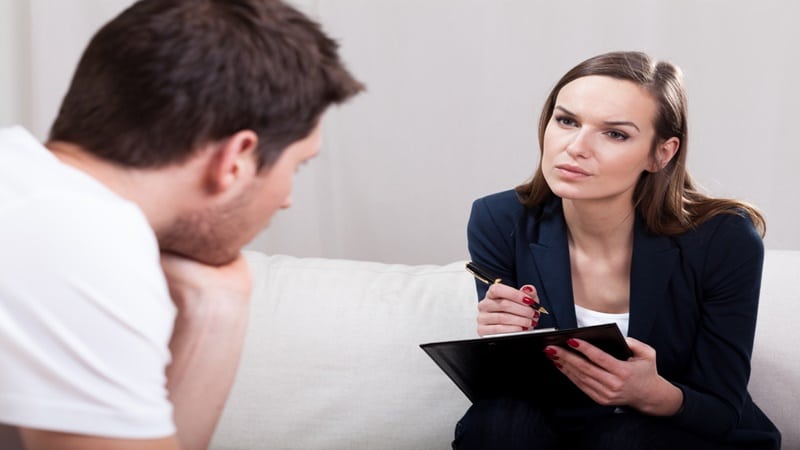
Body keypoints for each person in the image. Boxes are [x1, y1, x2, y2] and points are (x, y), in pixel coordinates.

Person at [0, 0, 362, 449]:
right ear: (236, 160)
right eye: (298, 166)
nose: (286, 199)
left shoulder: (27, 187)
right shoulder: (81, 238)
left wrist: (219, 309)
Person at [453, 51, 780, 449]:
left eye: (615, 134)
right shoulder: (499, 219)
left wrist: (649, 393)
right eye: (567, 120)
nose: (575, 147)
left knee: (621, 439)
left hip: (677, 432)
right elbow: (511, 388)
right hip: (558, 425)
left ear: (662, 153)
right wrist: (500, 337)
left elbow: (720, 410)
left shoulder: (724, 239)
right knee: (497, 423)